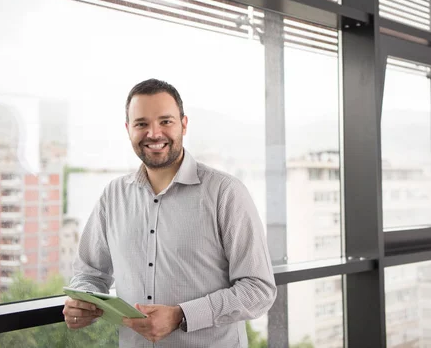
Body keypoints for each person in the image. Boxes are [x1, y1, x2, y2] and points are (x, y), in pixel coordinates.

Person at [63, 79, 277, 347]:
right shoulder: (113, 195)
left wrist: (181, 316)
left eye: (165, 121)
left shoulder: (226, 193)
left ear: (184, 125)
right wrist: (83, 300)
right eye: (142, 124)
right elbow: (90, 273)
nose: (154, 133)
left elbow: (259, 290)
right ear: (128, 129)